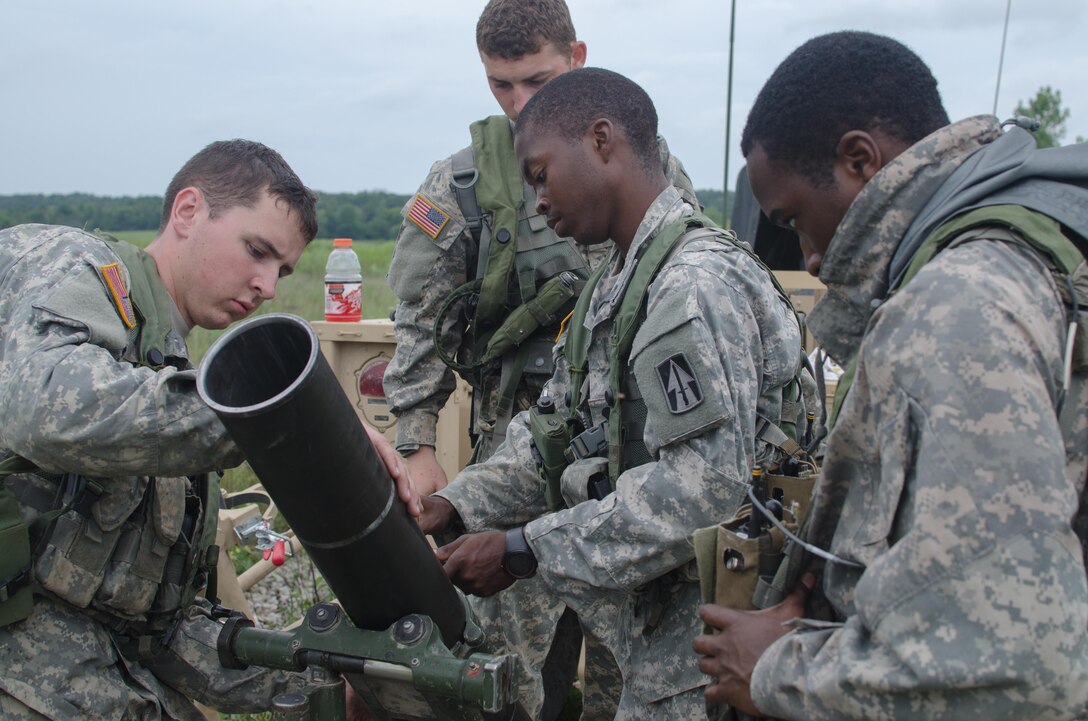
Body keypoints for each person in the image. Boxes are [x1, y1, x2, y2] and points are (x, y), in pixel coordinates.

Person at [692, 31, 1088, 720]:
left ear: (858, 159)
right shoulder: (1027, 246)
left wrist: (775, 670)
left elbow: (1015, 664)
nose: (808, 259)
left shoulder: (954, 307)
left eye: (794, 220)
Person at [420, 67, 802, 721]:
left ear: (602, 141)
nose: (537, 201)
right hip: (664, 644)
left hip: (712, 652)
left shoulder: (691, 287)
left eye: (541, 174)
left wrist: (521, 549)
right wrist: (453, 506)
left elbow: (704, 489)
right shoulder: (614, 288)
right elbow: (550, 434)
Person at [0, 139, 418, 721]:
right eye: (257, 251)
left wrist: (331, 691)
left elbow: (161, 630)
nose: (268, 286)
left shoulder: (173, 378)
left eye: (283, 270)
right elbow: (44, 409)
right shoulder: (76, 265)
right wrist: (297, 429)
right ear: (188, 211)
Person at [383, 1, 697, 717]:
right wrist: (417, 440)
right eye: (500, 86)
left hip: (628, 457)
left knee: (628, 659)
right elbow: (418, 315)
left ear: (578, 57)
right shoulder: (466, 184)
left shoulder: (649, 165)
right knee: (506, 666)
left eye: (536, 80)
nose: (520, 103)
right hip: (520, 449)